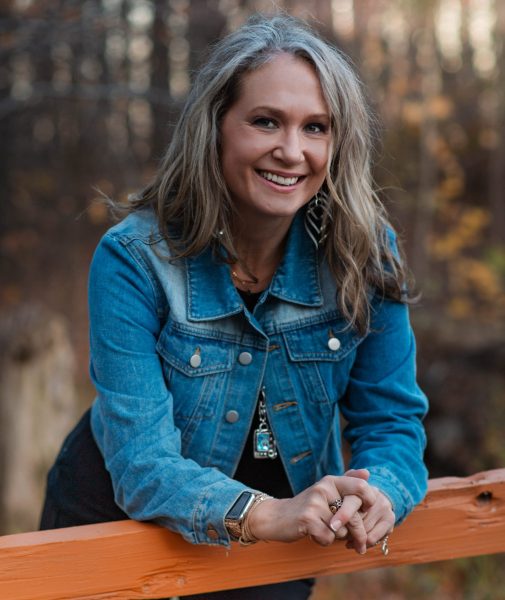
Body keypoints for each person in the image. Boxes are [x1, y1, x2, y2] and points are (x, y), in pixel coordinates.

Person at [40, 14, 428, 600]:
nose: (292, 151)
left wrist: (384, 492)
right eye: (266, 121)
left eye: (316, 127)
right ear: (215, 127)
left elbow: (391, 421)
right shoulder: (135, 259)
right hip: (115, 515)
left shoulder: (364, 253)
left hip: (285, 532)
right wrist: (266, 514)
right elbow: (142, 464)